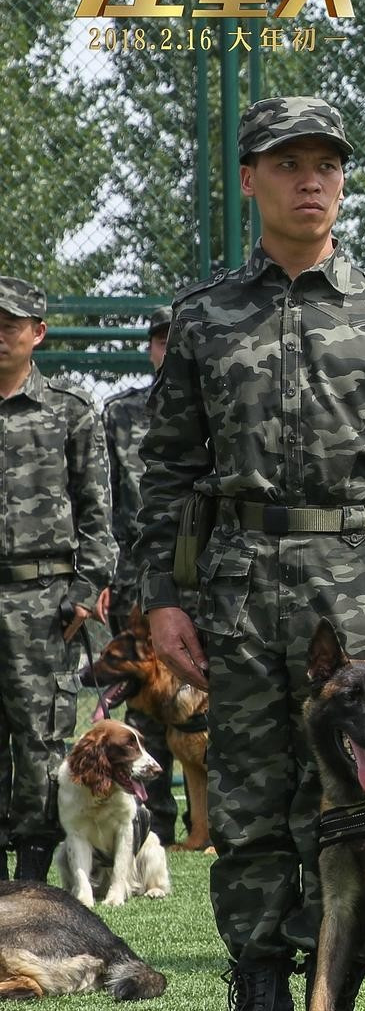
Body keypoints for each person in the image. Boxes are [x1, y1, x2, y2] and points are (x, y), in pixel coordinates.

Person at [131, 96, 365, 1011]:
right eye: (288, 163)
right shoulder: (206, 315)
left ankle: (341, 978)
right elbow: (168, 470)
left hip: (360, 584)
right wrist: (161, 596)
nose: (311, 180)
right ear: (251, 180)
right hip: (241, 584)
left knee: (364, 791)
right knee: (247, 791)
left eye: (326, 164)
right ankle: (258, 977)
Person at [0, 275, 113, 886]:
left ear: (38, 333)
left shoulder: (69, 411)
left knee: (40, 739)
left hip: (42, 600)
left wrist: (84, 591)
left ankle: (32, 877)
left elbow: (97, 512)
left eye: (9, 325)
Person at [102, 304, 182, 844]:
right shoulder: (121, 413)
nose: (168, 348)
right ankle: (152, 820)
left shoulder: (224, 401)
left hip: (211, 569)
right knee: (143, 701)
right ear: (150, 347)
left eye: (177, 338)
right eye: (160, 339)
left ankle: (220, 821)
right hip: (137, 574)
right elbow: (105, 497)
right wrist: (104, 575)